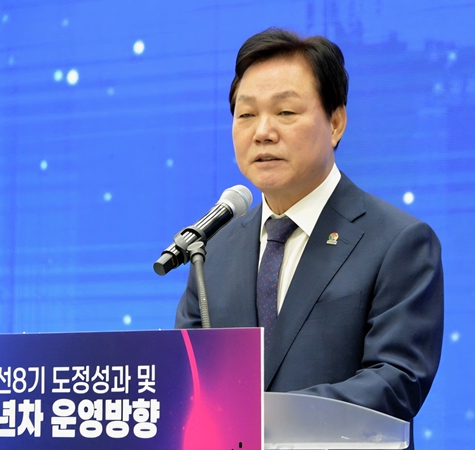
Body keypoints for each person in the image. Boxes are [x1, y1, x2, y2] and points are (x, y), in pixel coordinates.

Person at [175, 27, 443, 449]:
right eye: (246, 115)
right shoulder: (212, 252)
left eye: (285, 112)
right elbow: (187, 379)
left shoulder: (398, 242)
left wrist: (260, 418)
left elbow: (395, 383)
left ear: (335, 123)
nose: (263, 131)